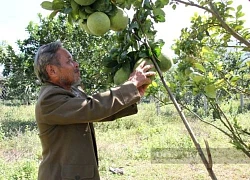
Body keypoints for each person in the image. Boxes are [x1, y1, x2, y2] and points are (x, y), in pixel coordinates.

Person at [34, 41, 156, 180]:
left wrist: (134, 94)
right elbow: (92, 108)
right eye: (69, 61)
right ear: (52, 70)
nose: (76, 64)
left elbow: (97, 112)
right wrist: (131, 85)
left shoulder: (72, 92)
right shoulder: (49, 99)